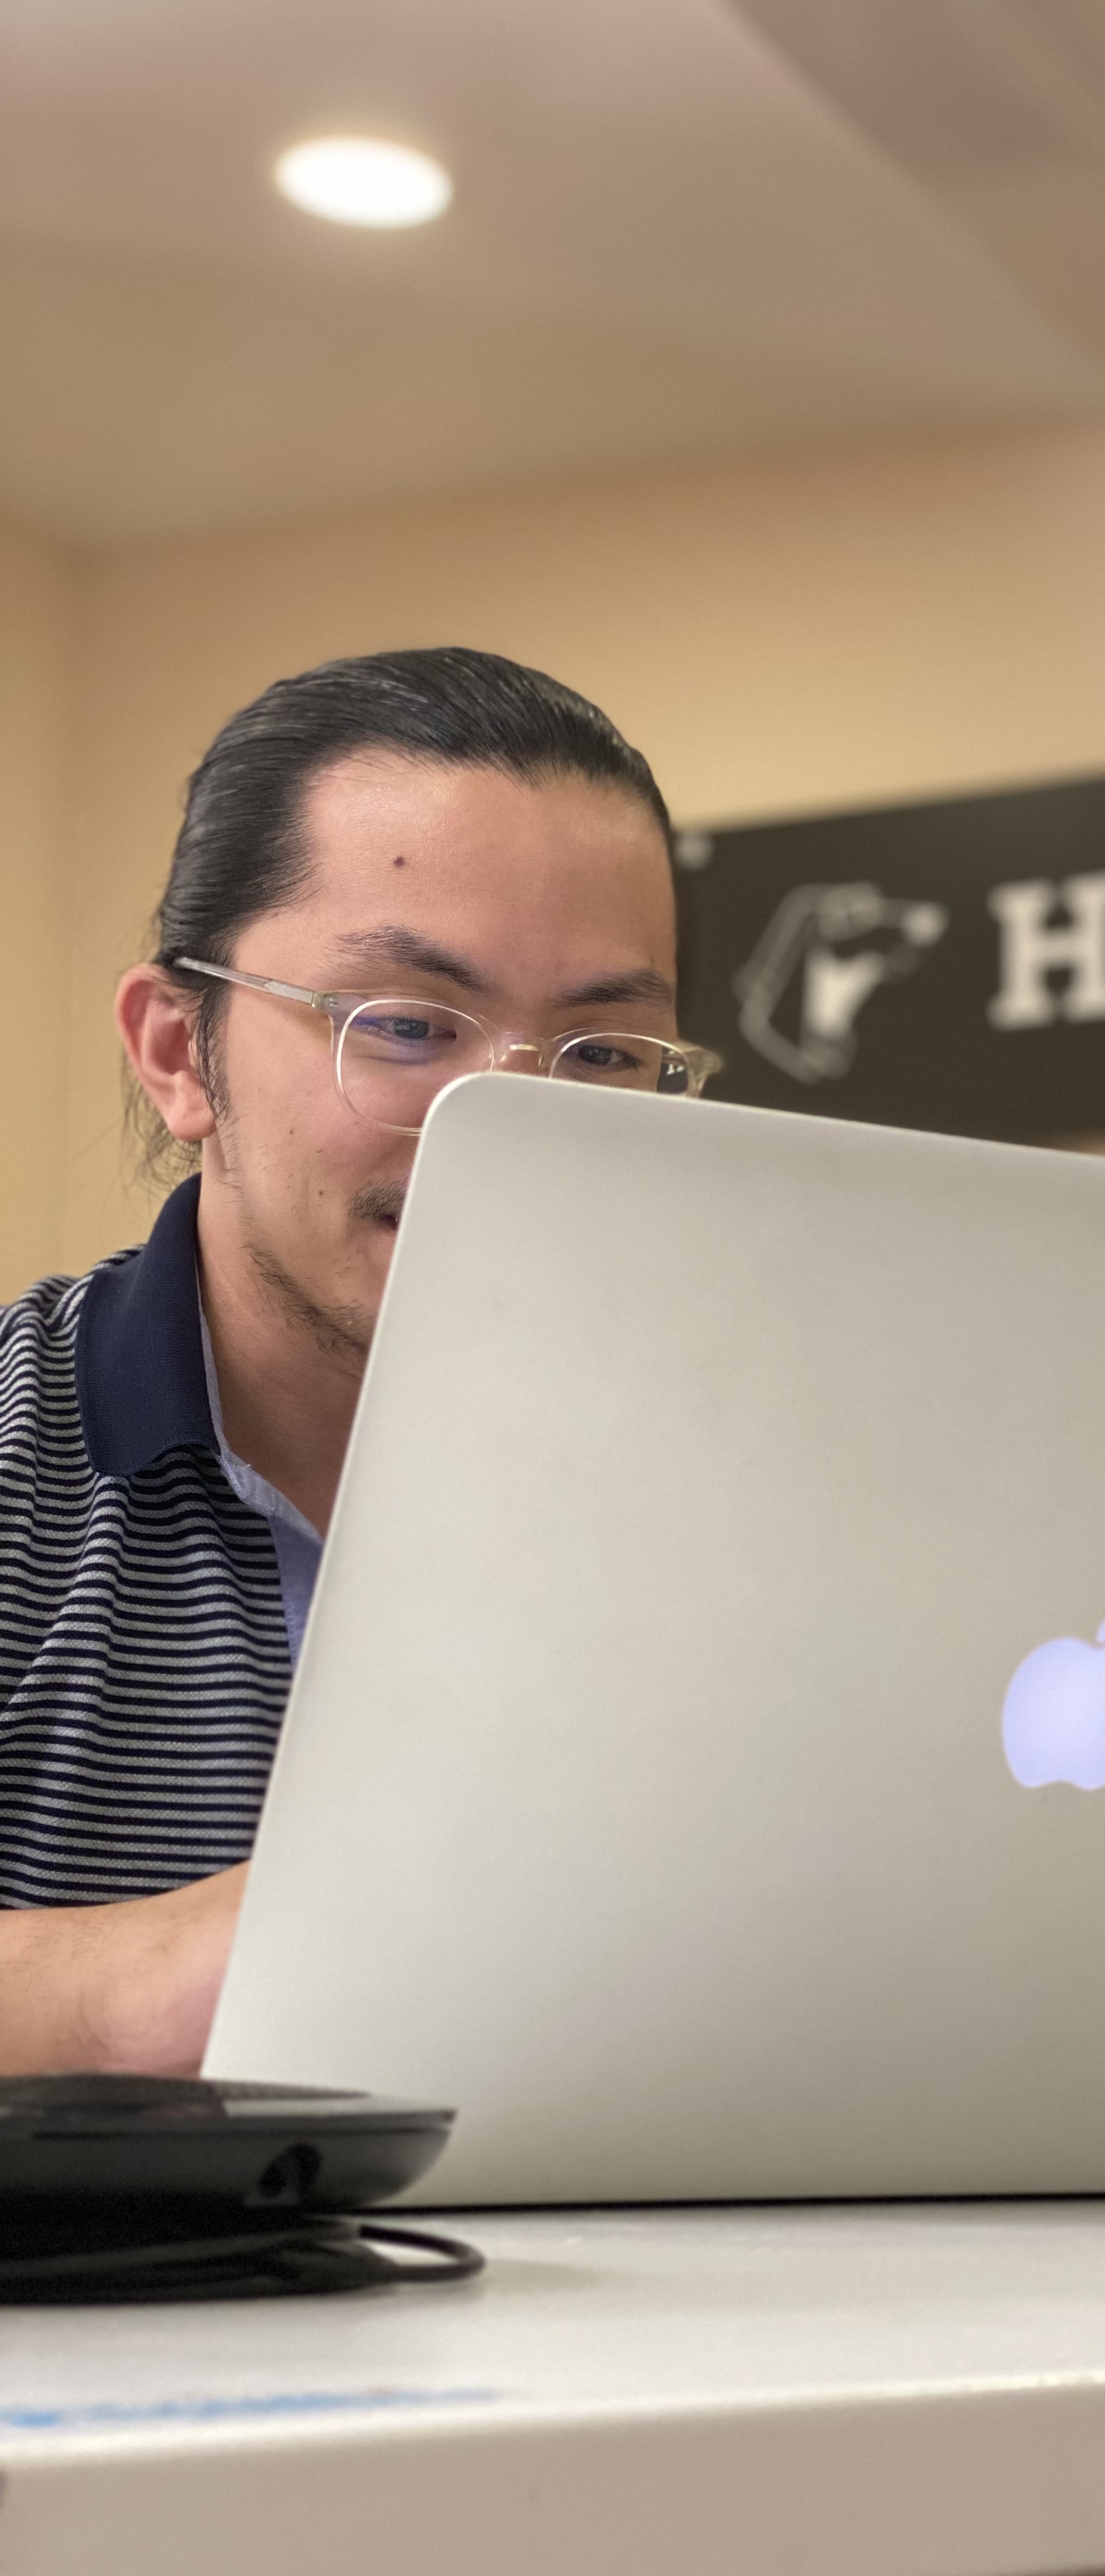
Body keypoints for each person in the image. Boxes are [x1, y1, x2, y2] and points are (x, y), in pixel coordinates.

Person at [0, 647, 707, 2074]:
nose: (511, 1126)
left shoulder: (745, 1497)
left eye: (607, 1053)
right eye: (404, 1026)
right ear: (176, 1055)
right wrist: (145, 1989)